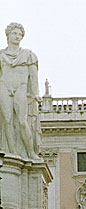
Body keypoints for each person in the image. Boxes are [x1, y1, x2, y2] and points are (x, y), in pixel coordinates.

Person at [0, 23, 41, 160]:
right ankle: (12, 153)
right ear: (8, 35)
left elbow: (33, 77)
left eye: (19, 34)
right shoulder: (1, 55)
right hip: (4, 87)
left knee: (22, 121)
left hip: (21, 88)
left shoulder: (28, 55)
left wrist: (35, 94)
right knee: (7, 120)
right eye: (14, 33)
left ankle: (30, 152)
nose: (17, 36)